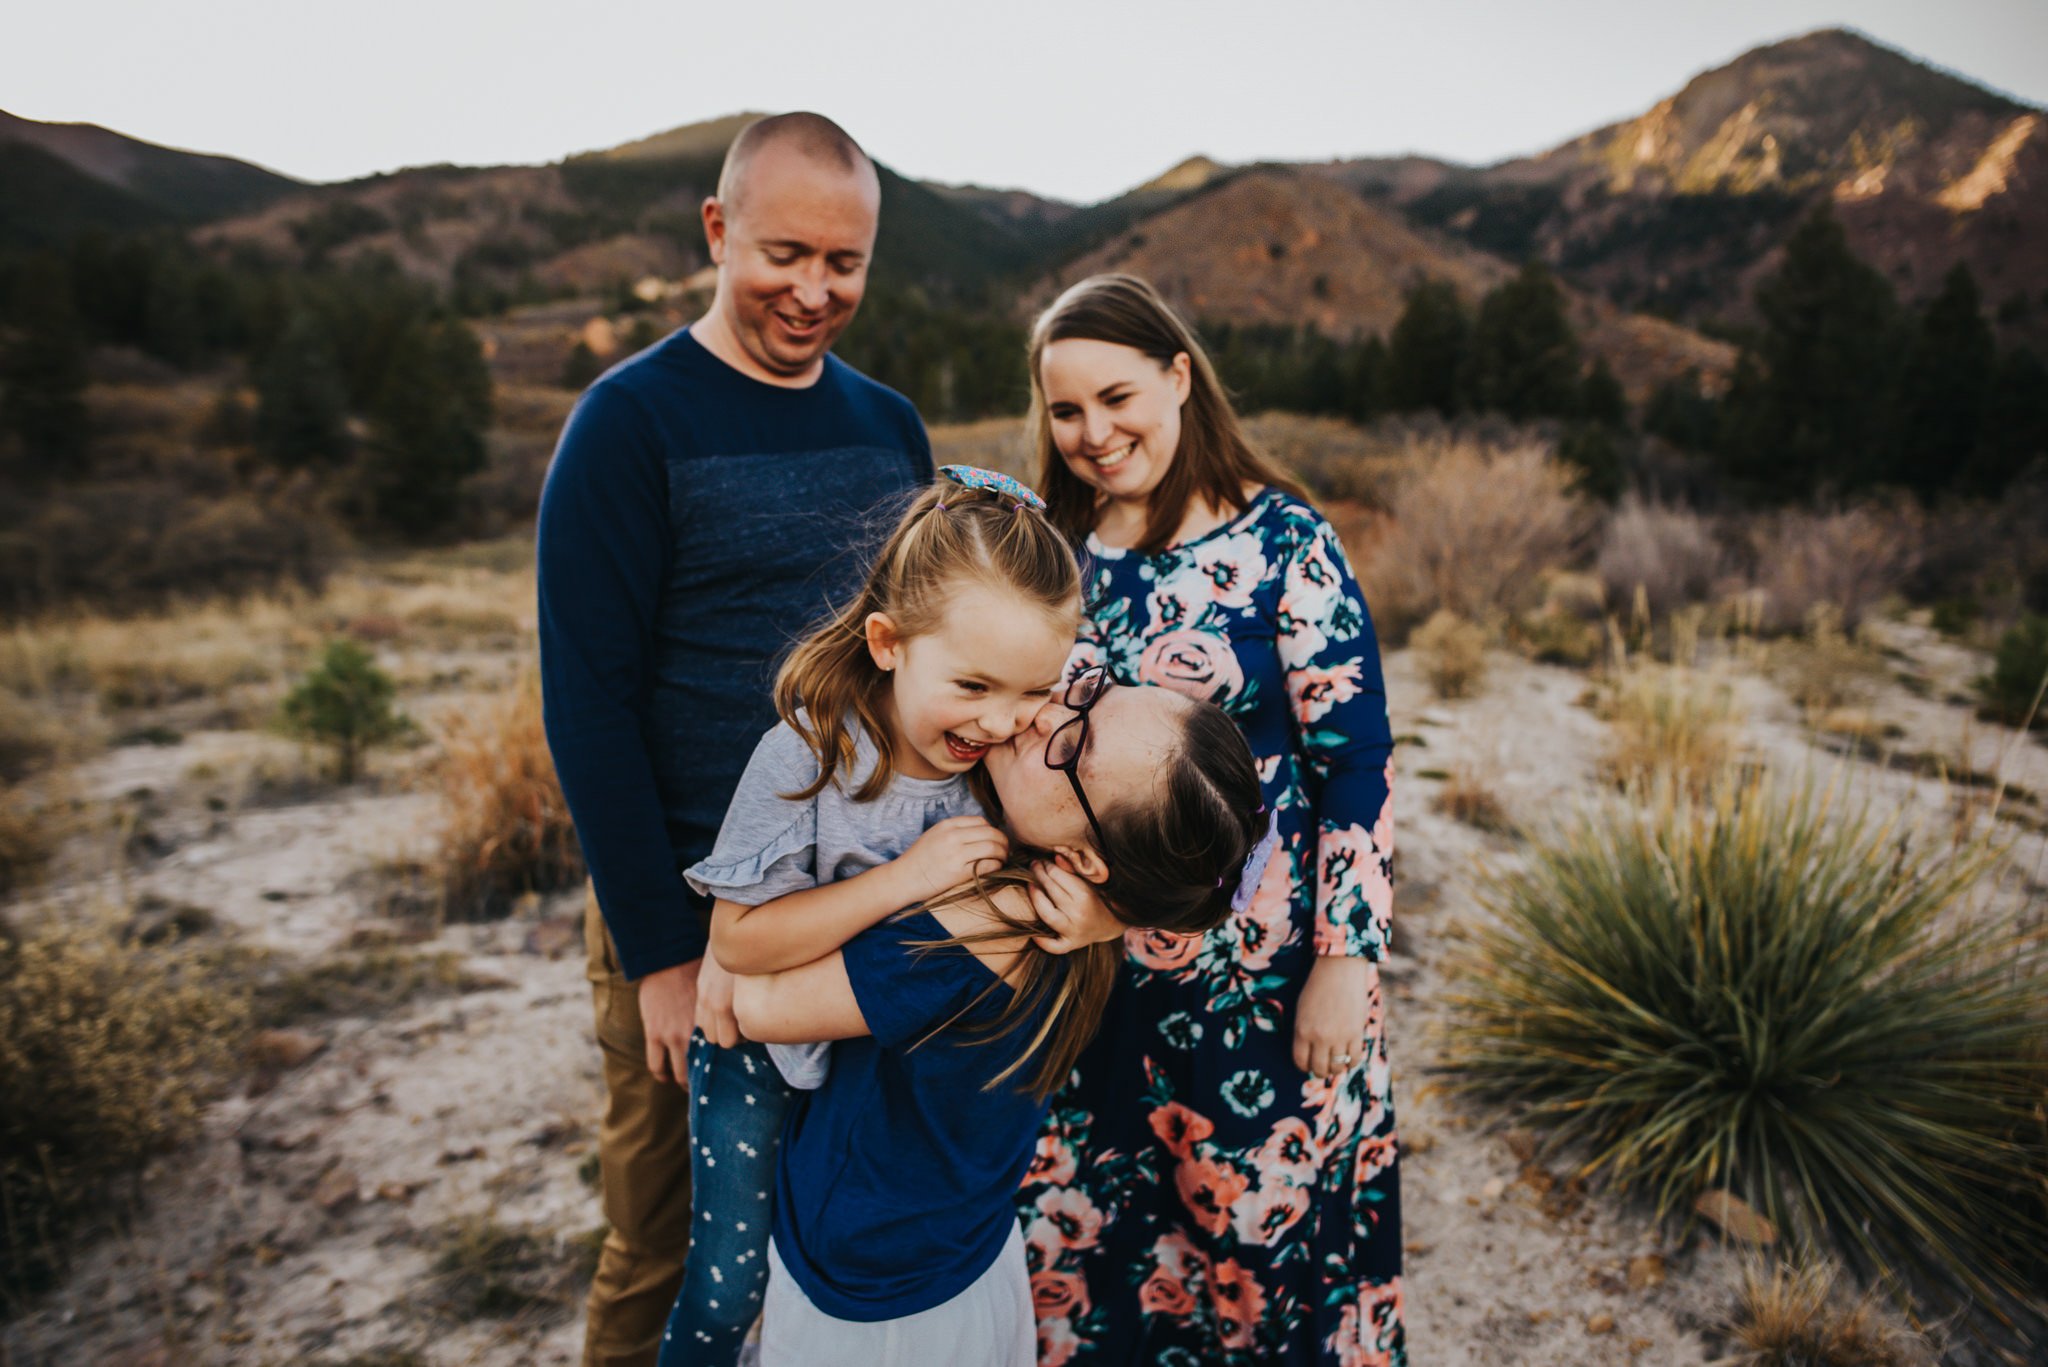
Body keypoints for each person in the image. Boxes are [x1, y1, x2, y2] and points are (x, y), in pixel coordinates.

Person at [537, 111, 931, 1367]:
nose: (813, 291)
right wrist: (657, 952)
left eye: (845, 264)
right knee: (665, 1249)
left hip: (855, 908)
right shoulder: (626, 424)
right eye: (784, 253)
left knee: (821, 1236)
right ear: (716, 231)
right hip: (689, 916)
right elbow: (585, 705)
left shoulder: (889, 427)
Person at [1016, 274, 1405, 1366]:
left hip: (1260, 981)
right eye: (1064, 409)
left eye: (1117, 396)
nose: (1093, 433)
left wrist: (1346, 956)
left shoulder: (1285, 542)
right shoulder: (1050, 551)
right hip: (1090, 982)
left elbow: (1356, 759)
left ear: (1180, 376)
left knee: (1257, 1250)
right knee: (1094, 1253)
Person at [656, 467, 1109, 1365]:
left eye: (1032, 691)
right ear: (888, 642)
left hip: (872, 1070)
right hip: (762, 1060)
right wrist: (903, 879)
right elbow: (738, 940)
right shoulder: (810, 750)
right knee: (727, 1282)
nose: (1002, 719)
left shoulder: (1011, 751)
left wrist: (1100, 916)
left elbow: (1132, 825)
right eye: (974, 685)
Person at [732, 661, 1274, 1367]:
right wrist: (1112, 920)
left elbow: (758, 1002)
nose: (1047, 713)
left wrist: (742, 924)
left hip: (876, 1295)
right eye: (1093, 691)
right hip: (964, 1246)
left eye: (1074, 748)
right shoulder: (1090, 908)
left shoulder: (988, 920)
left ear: (1083, 856)